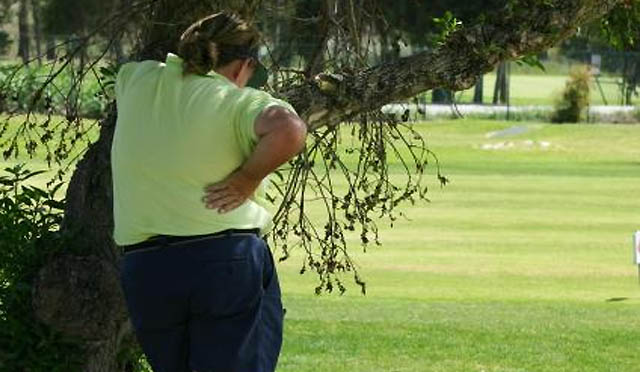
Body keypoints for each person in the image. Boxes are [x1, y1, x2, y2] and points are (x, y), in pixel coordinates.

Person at [111, 11, 307, 372]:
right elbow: (289, 129)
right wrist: (248, 177)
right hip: (224, 259)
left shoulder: (134, 80)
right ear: (242, 67)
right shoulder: (239, 102)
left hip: (147, 267)